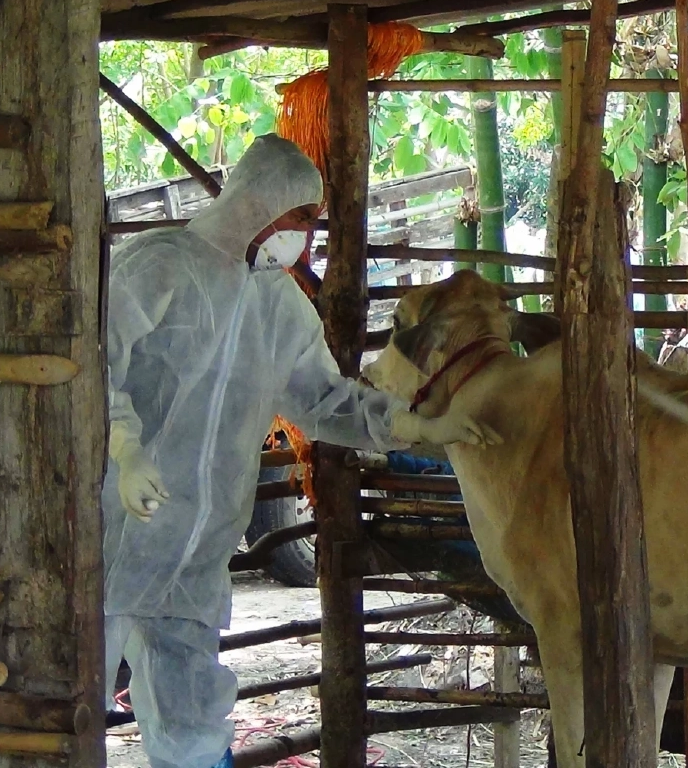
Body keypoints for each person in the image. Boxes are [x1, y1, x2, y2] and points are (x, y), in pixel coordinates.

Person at [103, 134, 495, 768]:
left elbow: (322, 400)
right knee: (69, 686)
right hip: (115, 526)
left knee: (191, 708)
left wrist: (413, 427)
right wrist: (124, 448)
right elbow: (97, 360)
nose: (305, 238)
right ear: (258, 204)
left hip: (199, 546)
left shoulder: (279, 303)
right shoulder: (157, 265)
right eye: (300, 219)